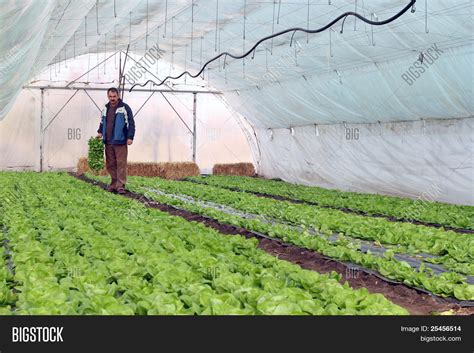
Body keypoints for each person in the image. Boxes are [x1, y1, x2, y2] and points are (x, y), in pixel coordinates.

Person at [96, 88, 135, 194]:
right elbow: (102, 122)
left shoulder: (124, 108)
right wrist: (100, 132)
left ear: (118, 96)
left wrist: (130, 137)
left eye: (114, 96)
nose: (112, 99)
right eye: (110, 97)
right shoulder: (105, 108)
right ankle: (113, 184)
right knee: (110, 164)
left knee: (121, 164)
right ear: (108, 96)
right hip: (108, 141)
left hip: (120, 140)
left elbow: (131, 123)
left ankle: (120, 185)